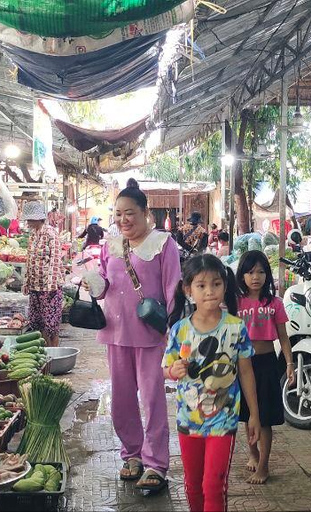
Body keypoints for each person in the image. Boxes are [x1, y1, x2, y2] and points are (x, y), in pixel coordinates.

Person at [83, 178, 181, 492]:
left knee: (152, 400)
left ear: (145, 213)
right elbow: (104, 280)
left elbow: (173, 286)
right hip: (115, 331)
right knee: (121, 400)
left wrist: (172, 328)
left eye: (130, 213)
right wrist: (93, 283)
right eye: (118, 213)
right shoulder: (112, 242)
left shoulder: (163, 243)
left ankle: (155, 464)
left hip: (151, 333)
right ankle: (132, 454)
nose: (123, 220)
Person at [164, 254, 260, 511]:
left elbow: (247, 372)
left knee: (213, 486)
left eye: (216, 284)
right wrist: (173, 370)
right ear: (188, 290)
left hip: (224, 419)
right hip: (188, 419)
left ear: (225, 286)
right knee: (193, 486)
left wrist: (254, 415)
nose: (209, 291)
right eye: (201, 285)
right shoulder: (179, 330)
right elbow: (166, 369)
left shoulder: (236, 328)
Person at [235, 250, 295, 484]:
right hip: (242, 364)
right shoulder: (235, 302)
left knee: (266, 418)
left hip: (267, 364)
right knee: (247, 414)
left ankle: (264, 465)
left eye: (260, 271)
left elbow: (283, 337)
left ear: (267, 275)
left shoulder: (274, 303)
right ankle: (253, 453)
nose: (255, 277)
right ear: (242, 275)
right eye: (250, 272)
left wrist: (289, 364)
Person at [21, 201, 63, 347]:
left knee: (51, 324)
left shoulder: (51, 233)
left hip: (49, 288)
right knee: (39, 323)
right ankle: (47, 353)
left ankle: (54, 353)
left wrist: (51, 285)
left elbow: (55, 259)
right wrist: (26, 283)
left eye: (30, 220)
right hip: (35, 286)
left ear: (38, 219)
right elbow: (29, 260)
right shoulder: (33, 235)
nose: (28, 223)